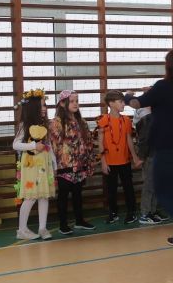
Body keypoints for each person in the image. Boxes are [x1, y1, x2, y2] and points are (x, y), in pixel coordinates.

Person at [125, 48, 173, 246]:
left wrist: (126, 97)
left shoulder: (162, 86)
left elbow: (137, 103)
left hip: (169, 146)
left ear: (168, 66)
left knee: (163, 191)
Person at [50, 89, 95, 235]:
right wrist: (54, 165)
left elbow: (88, 142)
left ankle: (79, 220)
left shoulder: (82, 122)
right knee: (63, 195)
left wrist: (89, 161)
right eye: (72, 101)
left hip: (79, 164)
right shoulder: (56, 123)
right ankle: (63, 224)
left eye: (77, 101)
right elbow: (54, 145)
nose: (76, 104)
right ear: (63, 103)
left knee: (77, 194)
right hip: (64, 165)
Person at [13, 89, 56, 240]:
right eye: (42, 105)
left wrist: (54, 164)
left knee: (44, 196)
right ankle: (22, 230)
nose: (45, 108)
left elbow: (49, 146)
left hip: (44, 165)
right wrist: (33, 145)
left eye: (45, 105)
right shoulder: (25, 125)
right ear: (33, 108)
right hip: (31, 166)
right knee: (30, 197)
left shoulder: (45, 125)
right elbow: (15, 144)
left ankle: (42, 228)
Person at [98, 90, 142, 225]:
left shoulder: (126, 120)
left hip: (124, 161)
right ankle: (113, 212)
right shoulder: (103, 120)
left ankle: (131, 212)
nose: (124, 104)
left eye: (123, 101)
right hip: (110, 162)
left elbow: (129, 140)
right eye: (121, 102)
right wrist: (103, 162)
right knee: (111, 190)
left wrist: (135, 157)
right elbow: (100, 142)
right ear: (111, 103)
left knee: (128, 188)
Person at [134, 107, 167, 225]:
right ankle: (145, 213)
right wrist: (141, 157)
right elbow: (144, 140)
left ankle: (152, 211)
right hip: (151, 156)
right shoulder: (148, 119)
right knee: (149, 185)